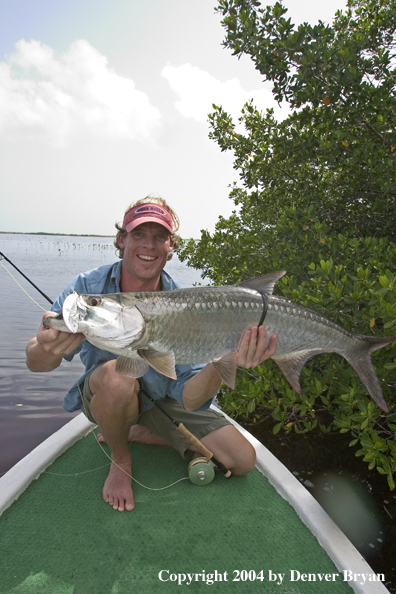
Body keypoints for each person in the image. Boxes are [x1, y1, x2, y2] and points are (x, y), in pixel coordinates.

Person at [26, 196, 277, 512]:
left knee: (242, 459)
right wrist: (47, 347)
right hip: (109, 396)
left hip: (163, 401)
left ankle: (139, 431)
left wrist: (223, 360)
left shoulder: (183, 304)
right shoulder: (86, 288)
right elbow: (35, 362)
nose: (149, 245)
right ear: (122, 239)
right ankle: (120, 458)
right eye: (139, 234)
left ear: (171, 246)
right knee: (119, 377)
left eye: (160, 237)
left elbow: (191, 400)